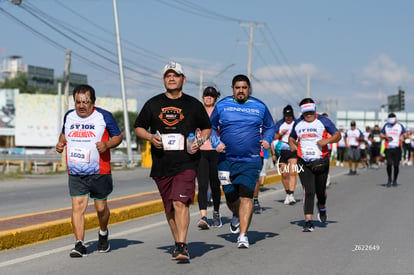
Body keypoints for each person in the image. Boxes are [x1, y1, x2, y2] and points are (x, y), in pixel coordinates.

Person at [134, 61, 211, 262]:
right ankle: (178, 243)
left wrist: (200, 141)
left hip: (187, 162)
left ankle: (182, 245)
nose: (171, 78)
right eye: (168, 75)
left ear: (183, 79)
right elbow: (139, 127)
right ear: (163, 79)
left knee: (179, 202)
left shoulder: (193, 104)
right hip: (161, 164)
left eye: (175, 75)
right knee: (169, 207)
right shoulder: (153, 104)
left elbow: (206, 127)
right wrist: (151, 138)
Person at [55, 84, 123, 257]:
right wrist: (61, 143)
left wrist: (107, 144)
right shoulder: (69, 116)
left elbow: (118, 137)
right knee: (77, 206)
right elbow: (65, 133)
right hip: (76, 170)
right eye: (78, 102)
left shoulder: (104, 116)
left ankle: (103, 232)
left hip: (100, 170)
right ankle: (79, 244)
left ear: (93, 102)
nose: (81, 106)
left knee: (101, 208)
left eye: (85, 102)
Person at [210, 74, 275, 248]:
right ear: (232, 89)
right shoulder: (222, 105)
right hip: (226, 160)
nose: (241, 90)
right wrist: (216, 143)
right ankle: (237, 215)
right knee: (231, 197)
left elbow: (270, 126)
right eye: (237, 87)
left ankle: (243, 235)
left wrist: (268, 140)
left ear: (249, 89)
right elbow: (210, 127)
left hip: (251, 159)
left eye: (244, 87)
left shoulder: (259, 106)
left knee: (246, 196)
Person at [289, 98, 340, 232]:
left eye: (311, 112)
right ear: (302, 112)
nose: (309, 115)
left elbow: (338, 135)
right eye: (306, 113)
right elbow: (291, 137)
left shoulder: (323, 121)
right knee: (309, 190)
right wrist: (293, 145)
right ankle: (308, 221)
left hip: (321, 161)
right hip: (303, 161)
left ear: (315, 110)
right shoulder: (298, 123)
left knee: (320, 191)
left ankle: (322, 206)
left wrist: (326, 141)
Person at [196, 86, 222, 229]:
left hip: (215, 151)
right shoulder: (198, 111)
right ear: (203, 97)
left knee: (215, 184)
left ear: (215, 98)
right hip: (201, 151)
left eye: (211, 96)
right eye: (206, 95)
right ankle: (203, 217)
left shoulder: (219, 112)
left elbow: (223, 129)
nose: (208, 97)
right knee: (202, 185)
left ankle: (216, 213)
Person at [273, 105, 297, 204]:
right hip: (282, 150)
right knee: (284, 174)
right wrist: (281, 134)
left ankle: (291, 194)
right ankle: (287, 193)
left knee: (292, 172)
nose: (288, 118)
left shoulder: (297, 123)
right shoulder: (280, 124)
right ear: (283, 115)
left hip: (293, 150)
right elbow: (273, 136)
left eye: (290, 116)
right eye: (287, 116)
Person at [380, 113, 407, 187]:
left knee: (396, 165)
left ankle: (395, 180)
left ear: (395, 119)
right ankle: (389, 179)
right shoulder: (386, 125)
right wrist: (386, 137)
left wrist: (403, 137)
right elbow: (381, 134)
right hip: (388, 148)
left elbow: (405, 134)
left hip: (397, 148)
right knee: (388, 164)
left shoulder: (399, 126)